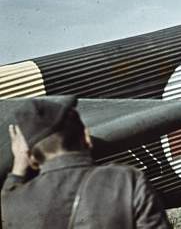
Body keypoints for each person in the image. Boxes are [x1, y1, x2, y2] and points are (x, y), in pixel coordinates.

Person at [1, 96, 170, 229]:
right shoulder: (127, 180)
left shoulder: (12, 204)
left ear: (29, 156)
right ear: (87, 138)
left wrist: (18, 169)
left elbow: (7, 204)